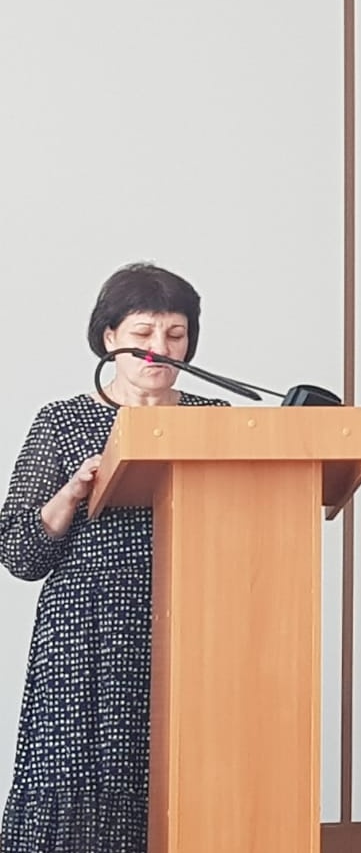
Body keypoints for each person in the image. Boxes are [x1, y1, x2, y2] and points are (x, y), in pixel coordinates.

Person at [0, 263, 229, 852]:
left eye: (175, 334)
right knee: (84, 794)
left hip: (196, 631)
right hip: (87, 634)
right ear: (109, 337)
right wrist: (73, 491)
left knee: (189, 782)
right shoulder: (62, 421)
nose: (160, 348)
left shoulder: (217, 422)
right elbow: (19, 552)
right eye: (143, 332)